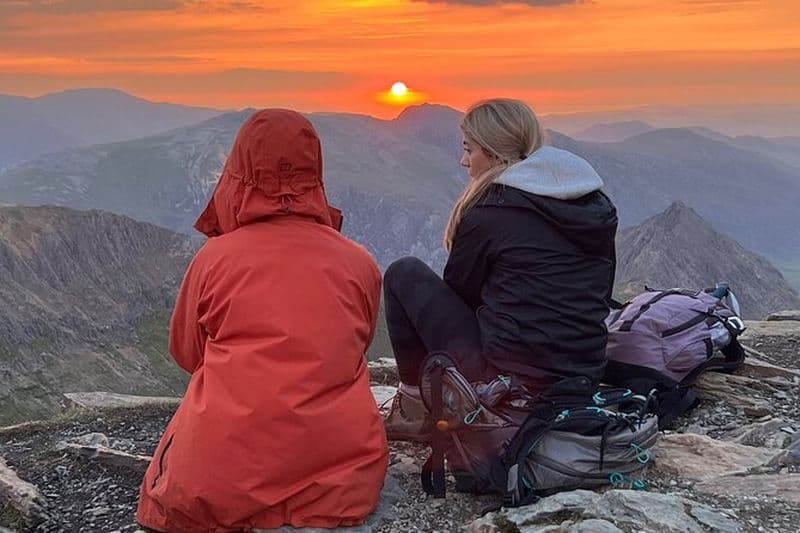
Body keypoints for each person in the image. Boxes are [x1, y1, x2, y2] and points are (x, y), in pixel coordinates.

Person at [136, 109, 388, 531]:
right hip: (343, 479)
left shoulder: (214, 259)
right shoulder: (358, 261)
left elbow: (186, 353)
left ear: (238, 171)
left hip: (221, 482)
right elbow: (353, 347)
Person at [382, 98, 618, 441]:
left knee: (404, 273)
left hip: (510, 379)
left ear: (494, 154)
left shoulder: (488, 214)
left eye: (469, 149)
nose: (464, 161)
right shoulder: (594, 206)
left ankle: (414, 409)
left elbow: (461, 293)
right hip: (583, 371)